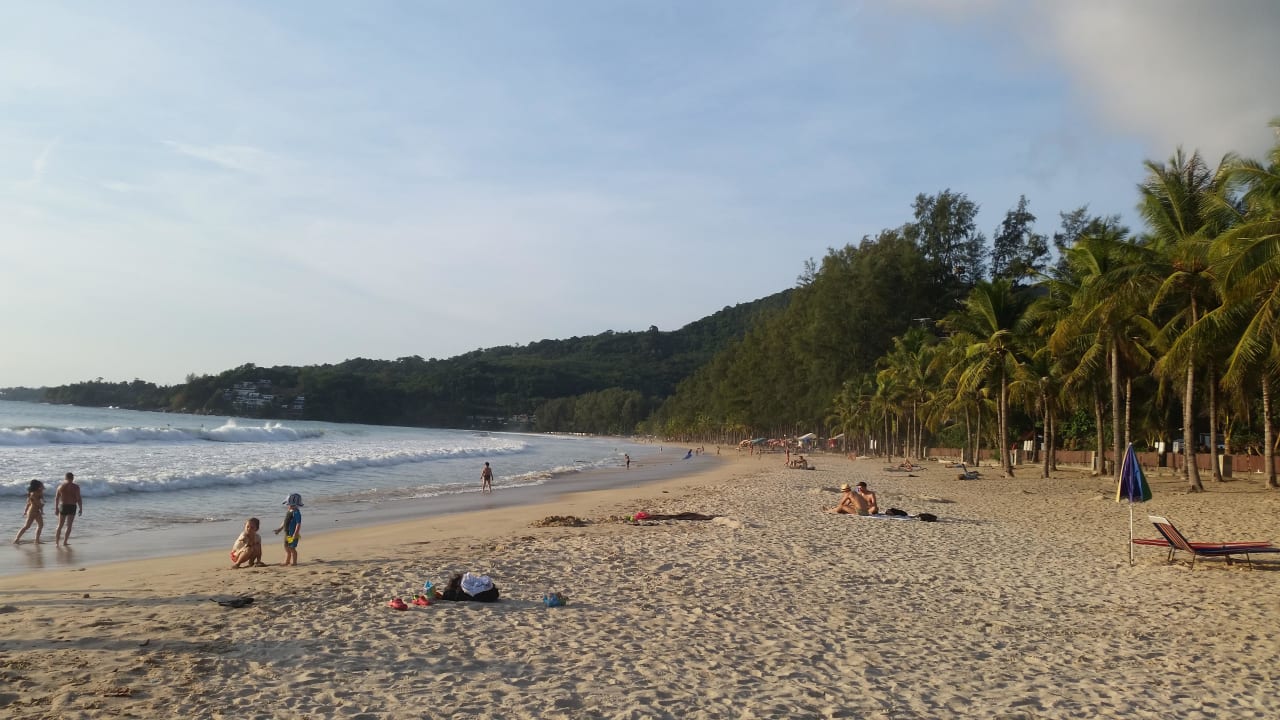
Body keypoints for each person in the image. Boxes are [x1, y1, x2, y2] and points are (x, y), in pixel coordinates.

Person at [274, 493, 303, 566]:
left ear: (293, 504)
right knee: (286, 547)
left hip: (292, 534)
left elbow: (298, 523)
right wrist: (280, 529)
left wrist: (296, 533)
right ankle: (287, 561)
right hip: (287, 533)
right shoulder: (289, 511)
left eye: (289, 504)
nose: (288, 506)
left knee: (291, 548)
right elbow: (285, 521)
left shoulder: (296, 513)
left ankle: (294, 562)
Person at [54, 472, 82, 546]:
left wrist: (56, 508)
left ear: (65, 478)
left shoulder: (60, 486)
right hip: (72, 506)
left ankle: (57, 543)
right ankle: (65, 542)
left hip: (63, 506)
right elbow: (78, 498)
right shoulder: (76, 487)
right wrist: (81, 508)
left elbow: (56, 498)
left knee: (60, 525)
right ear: (73, 478)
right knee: (69, 525)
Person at [13, 479, 45, 544]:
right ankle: (16, 539)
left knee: (41, 525)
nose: (42, 485)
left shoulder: (40, 492)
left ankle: (37, 540)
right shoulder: (33, 494)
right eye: (41, 485)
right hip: (32, 511)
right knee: (27, 526)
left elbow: (39, 502)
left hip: (37, 511)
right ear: (37, 486)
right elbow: (37, 503)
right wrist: (42, 506)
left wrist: (41, 509)